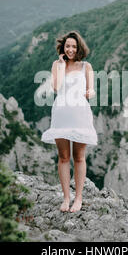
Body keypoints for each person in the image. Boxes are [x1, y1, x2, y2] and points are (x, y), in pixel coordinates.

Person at [41, 30, 98, 213]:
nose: (71, 49)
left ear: (79, 47)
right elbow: (56, 87)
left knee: (79, 157)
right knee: (64, 157)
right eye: (68, 46)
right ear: (63, 48)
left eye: (74, 46)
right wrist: (59, 66)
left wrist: (90, 93)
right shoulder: (56, 65)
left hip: (80, 112)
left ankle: (78, 198)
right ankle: (66, 198)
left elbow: (92, 90)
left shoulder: (86, 67)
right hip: (61, 112)